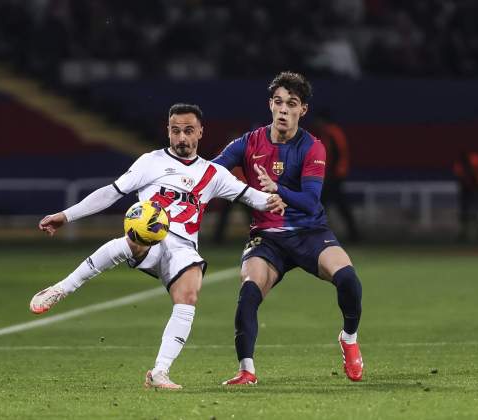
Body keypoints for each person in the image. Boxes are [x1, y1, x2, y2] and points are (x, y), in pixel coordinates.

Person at [30, 103, 286, 389]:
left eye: (188, 131)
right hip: (150, 237)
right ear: (168, 130)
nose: (181, 138)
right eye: (175, 131)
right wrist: (66, 216)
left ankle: (159, 372)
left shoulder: (213, 174)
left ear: (200, 132)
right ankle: (61, 289)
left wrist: (276, 197)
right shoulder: (150, 162)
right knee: (138, 233)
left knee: (189, 293)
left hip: (183, 249)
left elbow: (254, 198)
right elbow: (110, 194)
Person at [212, 71, 364, 384]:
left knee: (348, 279)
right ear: (270, 105)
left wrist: (277, 188)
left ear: (302, 110)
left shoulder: (313, 147)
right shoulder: (248, 142)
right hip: (267, 239)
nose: (283, 109)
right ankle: (246, 371)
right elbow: (211, 172)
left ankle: (349, 338)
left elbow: (310, 202)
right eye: (278, 102)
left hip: (309, 232)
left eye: (291, 103)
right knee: (248, 293)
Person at [315, 109, 360, 242]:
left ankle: (317, 233)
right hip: (335, 176)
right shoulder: (333, 132)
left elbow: (334, 156)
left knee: (322, 206)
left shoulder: (331, 133)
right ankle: (353, 234)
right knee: (338, 206)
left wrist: (329, 174)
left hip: (333, 177)